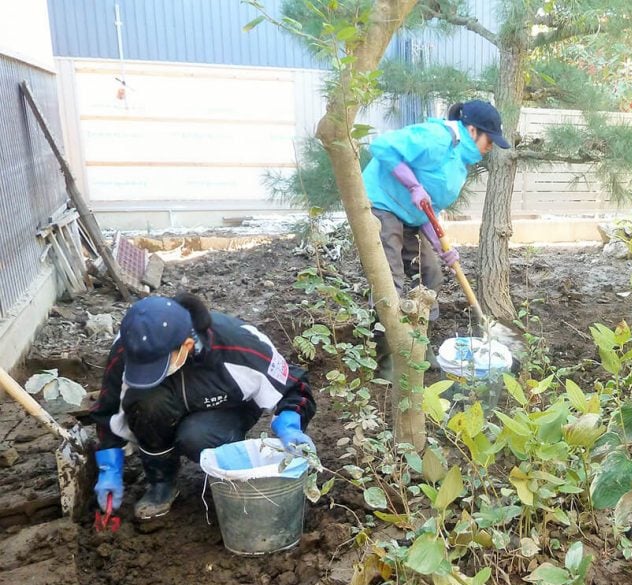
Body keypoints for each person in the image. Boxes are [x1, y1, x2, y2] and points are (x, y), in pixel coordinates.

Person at [89, 294, 317, 521]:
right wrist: (110, 468)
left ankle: (226, 477)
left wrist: (290, 425)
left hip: (226, 407)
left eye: (156, 366)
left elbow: (293, 386)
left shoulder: (240, 346)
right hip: (162, 404)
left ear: (186, 345)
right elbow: (109, 410)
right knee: (145, 403)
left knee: (196, 437)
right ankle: (161, 482)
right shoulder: (130, 347)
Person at [361, 99, 510, 373]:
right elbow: (380, 147)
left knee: (432, 275)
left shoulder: (460, 163)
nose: (491, 147)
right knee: (390, 282)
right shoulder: (437, 137)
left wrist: (443, 248)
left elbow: (429, 210)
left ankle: (418, 345)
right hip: (383, 206)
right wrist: (413, 185)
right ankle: (387, 360)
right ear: (473, 130)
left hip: (412, 220)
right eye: (490, 139)